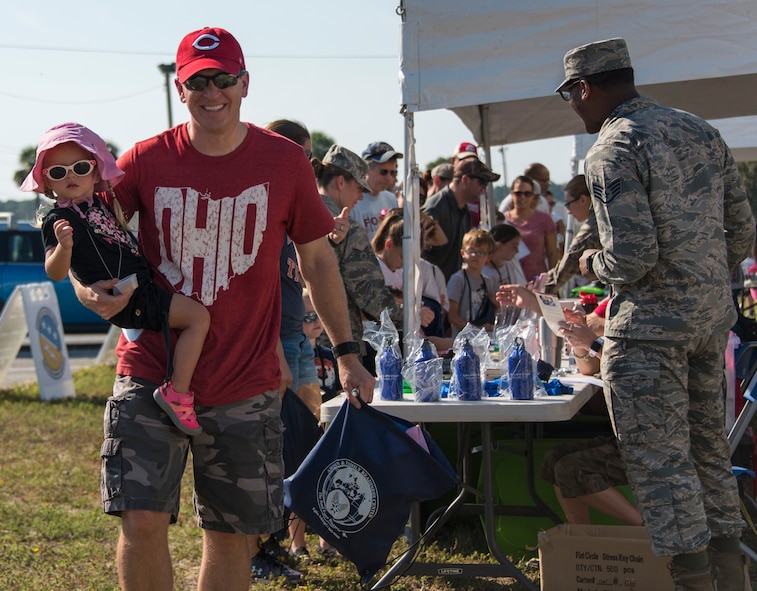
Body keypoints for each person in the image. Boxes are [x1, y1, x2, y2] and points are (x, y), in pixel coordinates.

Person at [71, 27, 374, 591]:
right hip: (150, 367)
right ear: (181, 89)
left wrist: (349, 353)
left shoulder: (285, 162)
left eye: (224, 79)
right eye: (198, 81)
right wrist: (88, 291)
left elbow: (318, 262)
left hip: (246, 381)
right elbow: (91, 235)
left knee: (232, 534)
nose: (213, 92)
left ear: (244, 83)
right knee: (140, 518)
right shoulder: (145, 159)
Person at [558, 37, 755, 590]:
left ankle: (694, 582)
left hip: (648, 334)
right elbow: (741, 232)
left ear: (585, 87)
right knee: (709, 457)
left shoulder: (612, 148)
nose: (573, 106)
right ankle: (731, 581)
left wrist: (591, 258)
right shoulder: (700, 130)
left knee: (663, 467)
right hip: (709, 321)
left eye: (570, 96)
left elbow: (632, 257)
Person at [22, 122, 210, 437]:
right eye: (58, 172)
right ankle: (177, 393)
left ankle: (176, 386)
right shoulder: (58, 219)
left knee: (193, 317)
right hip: (127, 298)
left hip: (137, 287)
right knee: (198, 318)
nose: (70, 176)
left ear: (96, 173)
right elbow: (53, 272)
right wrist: (64, 248)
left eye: (80, 167)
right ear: (47, 185)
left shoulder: (102, 204)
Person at [422, 158, 500, 282]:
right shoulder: (435, 208)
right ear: (465, 179)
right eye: (482, 182)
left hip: (448, 288)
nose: (484, 188)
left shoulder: (464, 211)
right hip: (430, 289)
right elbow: (418, 254)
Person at [543, 174, 601, 295]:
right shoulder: (607, 218)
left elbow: (567, 267)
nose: (568, 211)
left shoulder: (592, 227)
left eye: (568, 204)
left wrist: (537, 290)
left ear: (583, 200)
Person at [503, 176, 558, 283]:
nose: (522, 197)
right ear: (512, 195)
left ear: (533, 196)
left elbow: (552, 253)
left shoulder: (545, 219)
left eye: (527, 194)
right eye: (518, 193)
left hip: (538, 281)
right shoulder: (503, 220)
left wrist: (552, 281)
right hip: (511, 280)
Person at [447, 228, 499, 336]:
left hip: (482, 337)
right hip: (462, 339)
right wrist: (476, 329)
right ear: (463, 253)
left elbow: (493, 309)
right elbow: (452, 316)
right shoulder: (458, 279)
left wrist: (497, 304)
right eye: (471, 251)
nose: (476, 255)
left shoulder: (487, 281)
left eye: (481, 252)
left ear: (489, 257)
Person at [349, 141, 402, 240]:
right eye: (383, 172)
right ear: (366, 168)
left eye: (393, 173)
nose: (389, 178)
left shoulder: (391, 199)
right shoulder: (352, 201)